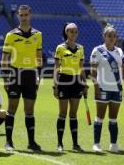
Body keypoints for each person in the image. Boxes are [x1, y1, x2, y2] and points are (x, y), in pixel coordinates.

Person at [1, 5, 42, 151]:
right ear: (18, 16)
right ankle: (8, 142)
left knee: (29, 110)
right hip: (14, 74)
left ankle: (31, 142)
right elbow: (4, 58)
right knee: (12, 108)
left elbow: (39, 58)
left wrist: (39, 77)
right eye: (21, 15)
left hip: (30, 74)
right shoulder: (11, 35)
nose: (23, 17)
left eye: (26, 15)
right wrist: (6, 77)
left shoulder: (38, 35)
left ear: (30, 15)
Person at [90, 24, 124, 152]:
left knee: (113, 118)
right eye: (109, 36)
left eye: (114, 36)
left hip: (117, 89)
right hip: (102, 88)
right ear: (104, 37)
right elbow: (93, 71)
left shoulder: (120, 51)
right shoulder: (97, 50)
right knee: (100, 117)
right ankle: (96, 144)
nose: (112, 38)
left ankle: (113, 144)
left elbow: (123, 69)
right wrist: (96, 88)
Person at [53, 23, 88, 152]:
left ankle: (75, 144)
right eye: (71, 31)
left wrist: (85, 84)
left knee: (73, 114)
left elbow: (81, 68)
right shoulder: (60, 48)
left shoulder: (81, 48)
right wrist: (55, 85)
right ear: (66, 33)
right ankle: (60, 143)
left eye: (75, 31)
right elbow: (56, 68)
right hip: (64, 81)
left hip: (77, 81)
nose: (73, 34)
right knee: (62, 113)